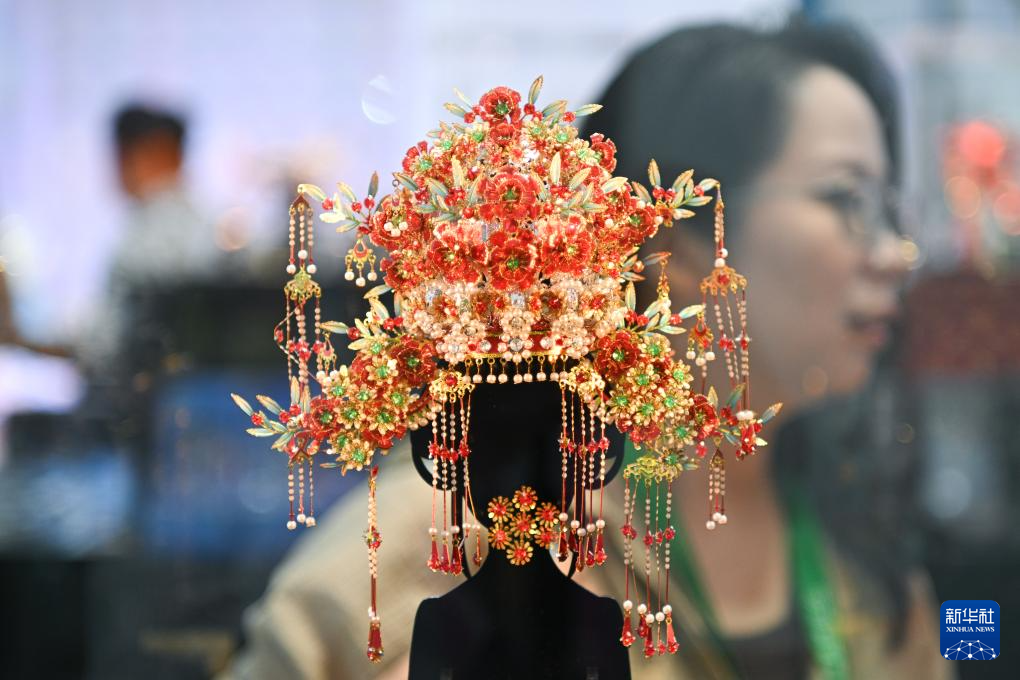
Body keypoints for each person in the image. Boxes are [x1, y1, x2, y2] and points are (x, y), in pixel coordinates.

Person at [219, 20, 946, 679]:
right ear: (679, 246)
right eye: (847, 200)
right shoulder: (443, 532)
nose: (895, 255)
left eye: (890, 209)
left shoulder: (861, 542)